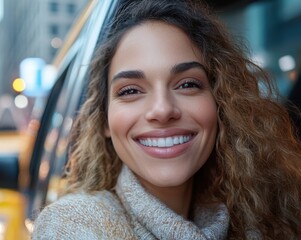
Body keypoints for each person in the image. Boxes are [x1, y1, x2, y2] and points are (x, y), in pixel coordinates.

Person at [32, 0, 301, 239]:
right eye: (130, 90)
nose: (162, 110)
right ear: (103, 120)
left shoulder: (265, 217)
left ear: (222, 103)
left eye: (187, 85)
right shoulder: (73, 224)